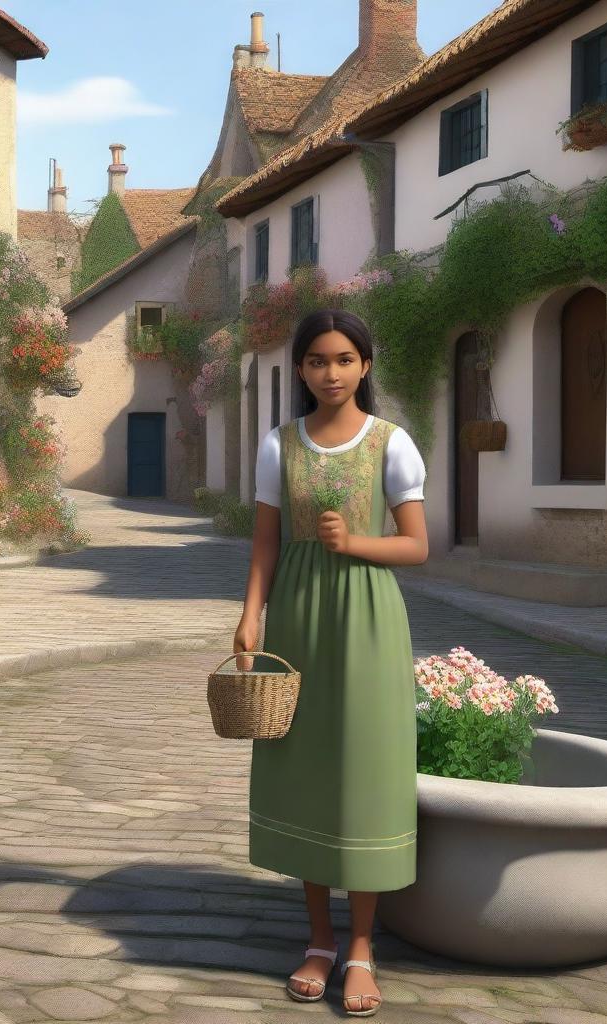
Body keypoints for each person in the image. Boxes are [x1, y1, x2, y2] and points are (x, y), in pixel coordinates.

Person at [233, 308, 429, 1017]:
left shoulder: (392, 444)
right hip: (296, 617)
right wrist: (251, 614)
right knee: (308, 770)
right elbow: (264, 544)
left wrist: (354, 543)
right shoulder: (278, 446)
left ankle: (363, 948)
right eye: (318, 360)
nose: (331, 372)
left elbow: (416, 546)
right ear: (302, 370)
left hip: (370, 619)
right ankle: (319, 939)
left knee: (365, 773)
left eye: (345, 359)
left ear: (365, 366)